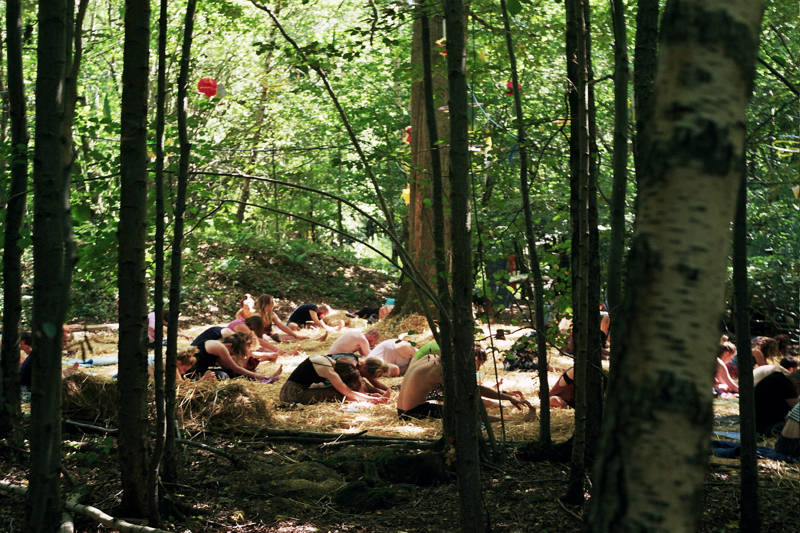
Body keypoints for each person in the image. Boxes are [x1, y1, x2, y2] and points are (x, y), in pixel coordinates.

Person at [396, 351, 534, 421]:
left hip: (402, 408)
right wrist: (508, 398)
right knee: (468, 416)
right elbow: (474, 389)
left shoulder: (430, 358)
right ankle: (513, 421)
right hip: (412, 414)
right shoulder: (440, 371)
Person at [279, 354, 389, 404]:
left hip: (290, 391)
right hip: (292, 395)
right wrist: (372, 399)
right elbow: (348, 392)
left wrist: (369, 395)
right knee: (338, 392)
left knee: (335, 390)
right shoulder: (329, 370)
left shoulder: (327, 361)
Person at [183, 329, 280, 381]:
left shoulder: (217, 346)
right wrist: (256, 375)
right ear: (229, 346)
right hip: (192, 375)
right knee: (223, 375)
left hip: (199, 372)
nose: (229, 355)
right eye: (231, 354)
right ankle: (264, 378)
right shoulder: (219, 346)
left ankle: (266, 378)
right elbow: (235, 368)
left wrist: (253, 374)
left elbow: (230, 367)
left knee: (229, 373)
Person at [226, 315, 297, 358]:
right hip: (232, 347)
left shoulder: (242, 321)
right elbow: (257, 340)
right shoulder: (242, 326)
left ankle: (285, 354)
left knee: (261, 349)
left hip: (235, 345)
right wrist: (276, 349)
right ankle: (282, 354)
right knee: (257, 351)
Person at [754, 369, 800, 435]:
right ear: (797, 383)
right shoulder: (786, 386)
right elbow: (797, 411)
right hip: (764, 429)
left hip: (758, 425)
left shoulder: (778, 377)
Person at [148, 346, 215, 382]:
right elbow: (184, 388)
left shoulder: (164, 360)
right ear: (179, 363)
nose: (183, 373)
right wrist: (203, 379)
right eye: (184, 369)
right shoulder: (171, 366)